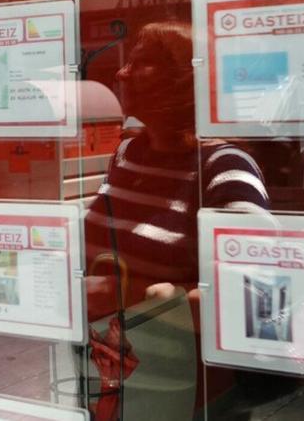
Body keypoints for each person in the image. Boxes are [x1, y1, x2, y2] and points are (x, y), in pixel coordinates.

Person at [84, 21, 270, 419]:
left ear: (186, 78)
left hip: (187, 399)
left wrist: (129, 296)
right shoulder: (128, 154)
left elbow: (255, 300)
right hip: (109, 386)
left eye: (141, 63)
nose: (121, 72)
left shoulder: (225, 168)